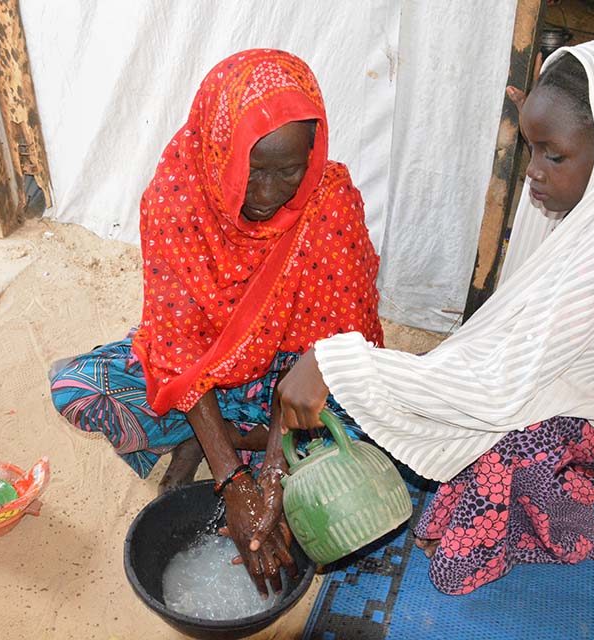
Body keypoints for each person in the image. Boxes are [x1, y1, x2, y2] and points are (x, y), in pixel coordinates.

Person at [276, 39, 594, 594]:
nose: (534, 174)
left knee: (476, 505)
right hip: (568, 377)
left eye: (553, 155)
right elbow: (510, 336)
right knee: (445, 388)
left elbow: (498, 388)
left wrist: (333, 360)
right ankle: (546, 475)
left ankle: (560, 527)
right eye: (531, 149)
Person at [49, 49, 383, 595]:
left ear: (313, 155)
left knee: (373, 415)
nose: (269, 195)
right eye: (252, 171)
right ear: (218, 150)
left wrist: (271, 471)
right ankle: (220, 440)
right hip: (207, 369)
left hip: (287, 377)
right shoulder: (177, 197)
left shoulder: (330, 200)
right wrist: (232, 481)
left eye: (289, 172)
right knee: (77, 390)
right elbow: (176, 350)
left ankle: (214, 438)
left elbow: (331, 346)